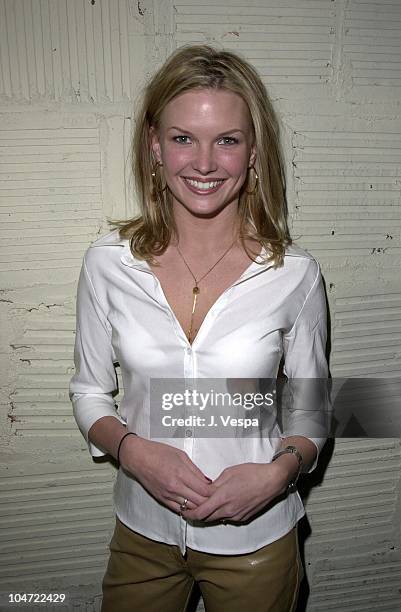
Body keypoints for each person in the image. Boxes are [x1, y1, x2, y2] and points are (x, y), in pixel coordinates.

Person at [69, 44, 328, 612]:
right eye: (183, 138)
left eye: (227, 140)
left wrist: (277, 474)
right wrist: (134, 453)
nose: (204, 163)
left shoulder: (297, 276)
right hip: (142, 536)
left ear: (254, 153)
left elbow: (312, 412)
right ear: (154, 146)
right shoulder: (106, 265)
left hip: (258, 543)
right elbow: (89, 393)